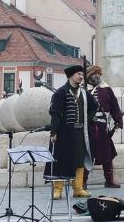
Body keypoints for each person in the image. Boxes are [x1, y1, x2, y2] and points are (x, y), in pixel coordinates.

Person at [45, 64, 98, 200]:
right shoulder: (60, 93)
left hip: (81, 132)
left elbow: (94, 106)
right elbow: (55, 114)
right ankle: (58, 189)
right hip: (64, 133)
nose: (81, 77)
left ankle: (78, 189)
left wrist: (88, 119)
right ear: (70, 76)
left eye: (82, 74)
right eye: (78, 74)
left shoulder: (84, 93)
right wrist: (54, 132)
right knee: (60, 159)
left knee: (79, 160)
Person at [84, 65, 123, 189]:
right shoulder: (84, 90)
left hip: (102, 127)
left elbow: (115, 106)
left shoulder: (106, 89)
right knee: (88, 153)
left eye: (98, 73)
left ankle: (109, 180)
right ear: (89, 77)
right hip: (88, 127)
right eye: (93, 74)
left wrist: (118, 121)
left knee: (108, 153)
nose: (97, 76)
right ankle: (83, 181)